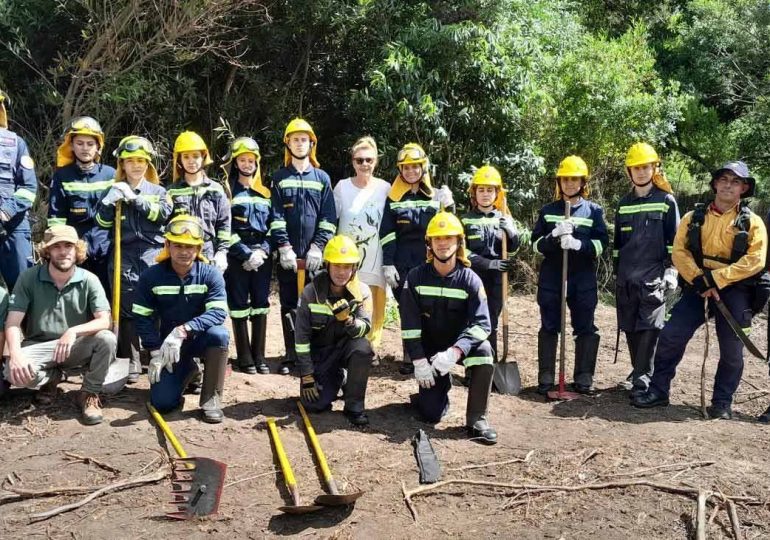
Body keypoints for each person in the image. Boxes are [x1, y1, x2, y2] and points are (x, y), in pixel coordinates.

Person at [633, 161, 769, 419]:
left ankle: (722, 403)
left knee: (732, 350)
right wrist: (700, 280)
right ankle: (658, 391)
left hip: (734, 289)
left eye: (735, 181)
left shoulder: (753, 222)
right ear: (715, 184)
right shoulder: (693, 217)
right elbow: (680, 251)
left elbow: (756, 260)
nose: (728, 185)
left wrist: (718, 279)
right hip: (697, 287)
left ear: (744, 188)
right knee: (671, 335)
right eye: (724, 179)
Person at [2, 225, 117, 425]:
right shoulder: (29, 277)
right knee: (12, 374)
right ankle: (51, 378)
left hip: (75, 346)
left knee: (106, 339)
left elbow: (105, 320)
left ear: (77, 249)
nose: (63, 252)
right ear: (47, 251)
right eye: (56, 247)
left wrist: (73, 332)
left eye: (68, 246)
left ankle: (89, 393)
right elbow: (12, 322)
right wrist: (15, 355)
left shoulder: (89, 280)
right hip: (39, 346)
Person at [399, 211, 497, 444]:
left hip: (458, 346)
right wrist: (419, 360)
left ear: (458, 242)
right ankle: (435, 392)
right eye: (437, 239)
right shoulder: (415, 278)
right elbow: (410, 326)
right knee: (430, 414)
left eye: (449, 238)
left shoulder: (470, 279)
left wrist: (456, 351)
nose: (443, 243)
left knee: (484, 351)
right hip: (430, 352)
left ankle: (477, 418)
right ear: (429, 244)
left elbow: (482, 324)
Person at [132, 215, 230, 423]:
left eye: (190, 246)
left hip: (200, 340)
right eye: (178, 246)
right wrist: (154, 350)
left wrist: (184, 329)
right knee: (163, 404)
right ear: (167, 245)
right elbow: (141, 317)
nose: (184, 252)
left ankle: (210, 400)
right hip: (168, 347)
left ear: (199, 248)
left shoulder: (210, 274)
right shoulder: (151, 276)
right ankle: (190, 371)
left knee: (220, 334)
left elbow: (218, 313)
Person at [95, 136, 172, 383]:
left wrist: (134, 198)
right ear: (122, 165)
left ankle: (155, 353)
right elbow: (103, 225)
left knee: (155, 304)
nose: (136, 166)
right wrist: (108, 204)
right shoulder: (113, 189)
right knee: (126, 307)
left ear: (148, 164)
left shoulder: (160, 192)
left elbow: (160, 216)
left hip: (153, 253)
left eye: (141, 161)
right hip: (124, 253)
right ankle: (131, 361)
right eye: (130, 161)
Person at [530, 156, 609, 395]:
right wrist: (553, 236)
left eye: (574, 179)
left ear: (583, 182)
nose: (570, 184)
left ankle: (583, 377)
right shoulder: (547, 211)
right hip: (553, 275)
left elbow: (601, 244)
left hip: (582, 276)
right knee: (549, 325)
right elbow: (535, 245)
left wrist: (578, 244)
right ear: (559, 182)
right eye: (565, 179)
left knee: (585, 326)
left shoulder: (593, 211)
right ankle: (546, 377)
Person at [379, 143, 454, 374]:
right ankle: (410, 356)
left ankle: (433, 354)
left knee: (432, 308)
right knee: (407, 310)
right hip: (402, 264)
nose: (411, 171)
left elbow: (447, 230)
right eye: (406, 167)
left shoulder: (435, 196)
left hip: (429, 262)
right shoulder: (393, 198)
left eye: (415, 166)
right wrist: (388, 263)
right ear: (400, 170)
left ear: (424, 168)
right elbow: (387, 232)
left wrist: (449, 207)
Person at [613, 143, 680, 398]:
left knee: (650, 327)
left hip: (654, 277)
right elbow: (618, 245)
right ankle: (638, 371)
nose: (641, 172)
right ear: (629, 171)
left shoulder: (666, 201)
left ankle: (643, 378)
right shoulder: (623, 204)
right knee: (630, 326)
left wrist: (672, 270)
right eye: (636, 168)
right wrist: (619, 274)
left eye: (646, 167)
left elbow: (675, 241)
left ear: (655, 168)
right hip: (627, 278)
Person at [270, 118, 337, 374]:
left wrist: (318, 247)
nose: (300, 144)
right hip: (289, 258)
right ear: (288, 143)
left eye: (304, 140)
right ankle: (291, 356)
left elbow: (328, 217)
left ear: (312, 144)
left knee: (316, 304)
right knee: (288, 304)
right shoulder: (279, 178)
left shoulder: (322, 178)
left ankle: (314, 354)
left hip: (314, 258)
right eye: (295, 139)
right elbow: (276, 216)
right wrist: (284, 246)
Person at [294, 235, 374, 426]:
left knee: (363, 348)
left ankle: (354, 406)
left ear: (354, 268)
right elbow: (301, 339)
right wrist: (306, 374)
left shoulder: (363, 292)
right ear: (327, 265)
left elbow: (366, 327)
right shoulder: (310, 293)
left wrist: (348, 320)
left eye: (347, 267)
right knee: (313, 405)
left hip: (347, 349)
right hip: (321, 355)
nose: (341, 272)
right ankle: (340, 379)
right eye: (337, 266)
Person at [333, 136, 390, 351]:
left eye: (369, 160)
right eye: (359, 160)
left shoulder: (385, 188)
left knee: (375, 305)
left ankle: (371, 347)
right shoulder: (342, 187)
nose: (364, 164)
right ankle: (347, 344)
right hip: (347, 259)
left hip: (375, 257)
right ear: (353, 162)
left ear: (375, 162)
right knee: (347, 300)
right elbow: (331, 219)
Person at [222, 137, 272, 375]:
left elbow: (275, 225)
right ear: (235, 162)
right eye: (242, 160)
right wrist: (244, 253)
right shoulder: (227, 191)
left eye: (251, 160)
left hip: (262, 256)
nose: (247, 164)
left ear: (257, 162)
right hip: (237, 256)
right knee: (239, 305)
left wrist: (263, 250)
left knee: (261, 303)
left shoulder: (266, 191)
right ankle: (244, 357)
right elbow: (225, 228)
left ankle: (259, 355)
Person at [48, 116, 115, 293]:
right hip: (74, 247)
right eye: (80, 143)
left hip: (106, 249)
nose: (85, 148)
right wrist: (63, 247)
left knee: (105, 294)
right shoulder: (62, 176)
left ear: (98, 146)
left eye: (90, 144)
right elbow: (56, 218)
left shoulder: (111, 175)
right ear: (71, 145)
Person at [461, 165, 519, 359]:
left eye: (490, 190)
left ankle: (490, 364)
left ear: (497, 193)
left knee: (491, 321)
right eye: (481, 190)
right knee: (472, 320)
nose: (485, 194)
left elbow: (513, 250)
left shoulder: (504, 218)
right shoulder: (465, 220)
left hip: (497, 281)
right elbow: (462, 251)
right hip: (472, 277)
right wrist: (488, 264)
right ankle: (471, 367)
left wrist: (512, 233)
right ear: (474, 193)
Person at [166, 131, 231, 269]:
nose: (191, 161)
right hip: (180, 253)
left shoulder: (216, 190)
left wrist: (222, 252)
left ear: (203, 157)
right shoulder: (171, 192)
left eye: (195, 156)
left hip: (208, 251)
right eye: (186, 156)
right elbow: (164, 226)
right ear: (179, 160)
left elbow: (224, 224)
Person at [0, 90, 38, 291]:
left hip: (12, 228)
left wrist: (5, 211)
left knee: (23, 289)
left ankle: (21, 324)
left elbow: (29, 188)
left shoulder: (15, 144)